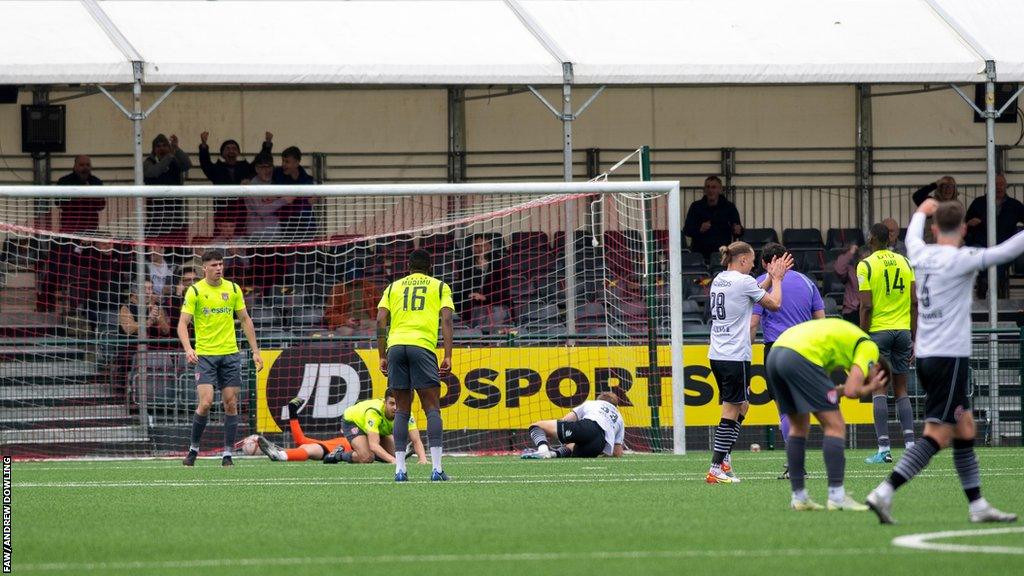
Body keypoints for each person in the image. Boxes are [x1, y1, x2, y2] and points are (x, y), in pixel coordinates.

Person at [866, 199, 1020, 524]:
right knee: (938, 434)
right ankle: (884, 492)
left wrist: (922, 210)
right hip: (950, 358)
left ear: (935, 229)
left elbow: (912, 236)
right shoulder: (961, 259)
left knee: (965, 427)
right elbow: (1006, 251)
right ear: (964, 229)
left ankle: (977, 505)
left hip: (926, 355)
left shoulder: (920, 253)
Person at [767, 318, 891, 511]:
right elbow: (851, 391)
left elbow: (828, 392)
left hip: (776, 353)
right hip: (799, 356)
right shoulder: (869, 348)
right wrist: (871, 387)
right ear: (878, 370)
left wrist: (849, 388)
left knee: (799, 427)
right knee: (835, 426)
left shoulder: (843, 346)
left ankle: (799, 498)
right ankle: (837, 496)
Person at [705, 241, 792, 484]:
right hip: (733, 355)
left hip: (718, 353)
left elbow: (753, 290)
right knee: (732, 410)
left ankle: (723, 459)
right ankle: (715, 468)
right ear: (742, 260)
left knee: (742, 406)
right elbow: (774, 304)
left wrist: (770, 278)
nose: (753, 267)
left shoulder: (720, 278)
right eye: (752, 262)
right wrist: (777, 280)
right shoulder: (743, 282)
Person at [178, 249, 263, 467]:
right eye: (214, 265)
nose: (218, 268)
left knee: (231, 403)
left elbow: (245, 319)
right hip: (205, 355)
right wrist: (189, 348)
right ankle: (193, 449)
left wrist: (255, 351)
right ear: (204, 268)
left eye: (221, 264)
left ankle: (227, 454)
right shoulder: (195, 291)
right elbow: (182, 324)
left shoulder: (233, 288)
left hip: (230, 354)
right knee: (205, 403)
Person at [376, 249, 454, 482]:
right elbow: (447, 319)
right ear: (430, 268)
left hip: (396, 347)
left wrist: (382, 354)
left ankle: (400, 470)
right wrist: (448, 354)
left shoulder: (392, 287)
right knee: (432, 408)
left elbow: (380, 320)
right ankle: (437, 469)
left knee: (401, 409)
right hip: (422, 346)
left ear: (408, 268)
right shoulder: (440, 286)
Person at [750, 243, 826, 480]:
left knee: (785, 410)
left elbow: (753, 322)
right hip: (805, 348)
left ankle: (795, 464)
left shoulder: (761, 282)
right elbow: (821, 322)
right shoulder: (807, 282)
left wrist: (745, 348)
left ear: (765, 263)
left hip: (777, 349)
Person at [857, 223, 917, 465]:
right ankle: (912, 447)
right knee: (902, 390)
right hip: (903, 331)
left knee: (879, 390)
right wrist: (914, 336)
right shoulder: (905, 262)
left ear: (871, 238)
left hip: (878, 333)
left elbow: (866, 305)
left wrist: (862, 335)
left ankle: (884, 448)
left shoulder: (866, 265)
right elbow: (914, 302)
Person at [257, 391, 427, 464]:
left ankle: (282, 452)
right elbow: (302, 442)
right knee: (310, 449)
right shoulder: (371, 414)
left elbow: (301, 440)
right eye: (392, 403)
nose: (396, 407)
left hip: (346, 442)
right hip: (341, 440)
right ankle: (281, 455)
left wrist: (423, 459)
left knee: (306, 445)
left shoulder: (404, 413)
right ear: (385, 403)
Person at [38, 155, 106, 312]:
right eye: (82, 164)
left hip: (90, 235)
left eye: (88, 164)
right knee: (56, 267)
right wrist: (78, 194)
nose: (85, 168)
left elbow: (101, 205)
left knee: (98, 268)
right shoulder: (64, 181)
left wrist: (90, 193)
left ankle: (92, 304)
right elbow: (58, 203)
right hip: (68, 234)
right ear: (75, 166)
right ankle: (46, 301)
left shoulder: (96, 182)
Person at [965, 174, 1024, 298]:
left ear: (1006, 186)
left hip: (1004, 246)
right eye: (995, 184)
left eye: (1001, 184)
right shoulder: (978, 203)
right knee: (984, 260)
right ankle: (990, 290)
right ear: (989, 186)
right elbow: (965, 225)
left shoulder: (1015, 205)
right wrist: (970, 223)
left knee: (998, 262)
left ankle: (986, 286)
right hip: (981, 244)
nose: (998, 187)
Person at [521, 392, 626, 459]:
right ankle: (552, 454)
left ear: (599, 399)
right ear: (615, 406)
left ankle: (542, 450)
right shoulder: (619, 418)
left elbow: (566, 419)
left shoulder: (592, 403)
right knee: (571, 447)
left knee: (536, 426)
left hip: (588, 427)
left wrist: (558, 432)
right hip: (598, 446)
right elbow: (617, 452)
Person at [143, 133, 191, 241]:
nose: (162, 149)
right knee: (156, 243)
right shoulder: (148, 162)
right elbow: (153, 173)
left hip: (175, 210)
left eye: (165, 146)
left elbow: (187, 164)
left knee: (175, 243)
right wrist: (169, 156)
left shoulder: (175, 160)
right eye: (158, 146)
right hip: (156, 212)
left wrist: (176, 148)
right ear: (154, 149)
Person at [683, 175, 743, 262]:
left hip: (722, 253)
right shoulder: (696, 207)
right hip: (700, 253)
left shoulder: (729, 207)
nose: (710, 190)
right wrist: (699, 229)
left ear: (720, 190)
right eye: (708, 187)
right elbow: (686, 230)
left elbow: (738, 231)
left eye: (714, 187)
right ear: (704, 190)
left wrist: (738, 230)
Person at [456, 234, 510, 322]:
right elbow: (464, 286)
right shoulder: (464, 264)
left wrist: (485, 297)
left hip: (493, 301)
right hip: (471, 300)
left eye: (484, 245)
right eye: (477, 246)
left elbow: (504, 289)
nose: (481, 249)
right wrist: (480, 270)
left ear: (490, 246)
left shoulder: (498, 263)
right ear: (472, 248)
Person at [833, 242, 864, 325]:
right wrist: (851, 252)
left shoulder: (874, 271)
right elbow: (839, 268)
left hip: (868, 310)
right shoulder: (851, 270)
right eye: (862, 258)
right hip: (852, 311)